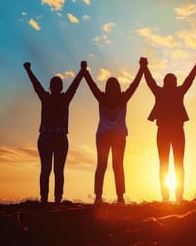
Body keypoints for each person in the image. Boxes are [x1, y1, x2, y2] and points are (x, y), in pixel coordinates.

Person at [80, 59, 144, 205]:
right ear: (118, 87)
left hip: (103, 136)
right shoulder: (123, 97)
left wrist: (84, 71)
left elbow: (91, 85)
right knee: (118, 166)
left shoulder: (102, 97)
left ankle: (98, 197)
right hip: (119, 136)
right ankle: (120, 197)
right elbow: (134, 84)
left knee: (101, 165)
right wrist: (141, 68)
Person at [141, 56, 196, 202]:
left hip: (162, 131)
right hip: (177, 131)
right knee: (178, 163)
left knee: (163, 164)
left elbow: (150, 82)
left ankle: (166, 197)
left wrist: (144, 67)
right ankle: (178, 196)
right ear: (174, 83)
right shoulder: (178, 92)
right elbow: (189, 80)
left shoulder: (160, 92)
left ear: (164, 83)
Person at [23, 61, 84, 204]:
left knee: (46, 169)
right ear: (61, 87)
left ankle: (44, 199)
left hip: (45, 137)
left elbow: (36, 86)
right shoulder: (64, 98)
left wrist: (28, 70)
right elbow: (74, 86)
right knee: (58, 171)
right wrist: (81, 71)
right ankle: (57, 199)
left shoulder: (46, 97)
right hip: (60, 138)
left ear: (51, 87)